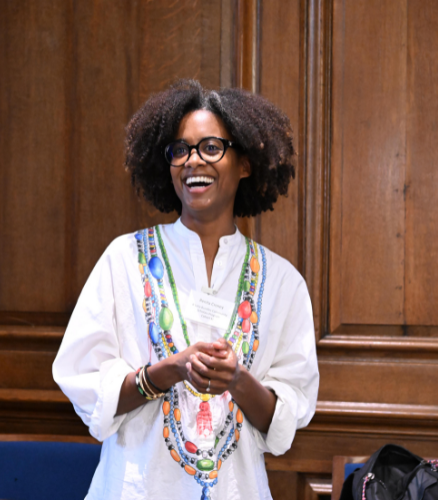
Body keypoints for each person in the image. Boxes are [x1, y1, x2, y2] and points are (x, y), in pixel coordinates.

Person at [53, 79, 319, 500]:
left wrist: (236, 380)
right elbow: (88, 390)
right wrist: (167, 372)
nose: (193, 161)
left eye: (211, 147)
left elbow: (283, 424)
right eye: (180, 150)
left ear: (245, 163)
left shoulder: (282, 283)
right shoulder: (124, 260)